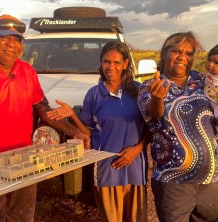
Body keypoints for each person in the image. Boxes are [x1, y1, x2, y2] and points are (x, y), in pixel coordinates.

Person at [0, 14, 90, 222]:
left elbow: (45, 111)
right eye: (5, 37)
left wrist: (74, 132)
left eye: (17, 39)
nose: (11, 44)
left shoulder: (27, 71)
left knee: (22, 217)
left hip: (25, 160)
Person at [137, 31, 218, 222]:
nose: (183, 57)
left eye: (189, 53)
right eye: (177, 51)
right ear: (164, 53)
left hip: (217, 178)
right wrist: (157, 98)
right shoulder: (149, 86)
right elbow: (155, 114)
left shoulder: (206, 80)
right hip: (173, 184)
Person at [46, 41, 149, 222]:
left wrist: (138, 148)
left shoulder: (138, 91)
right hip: (106, 168)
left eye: (116, 62)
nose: (111, 67)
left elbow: (150, 127)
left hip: (134, 167)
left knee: (136, 218)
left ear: (125, 64)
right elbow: (89, 132)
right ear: (101, 64)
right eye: (106, 62)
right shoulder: (94, 94)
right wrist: (72, 115)